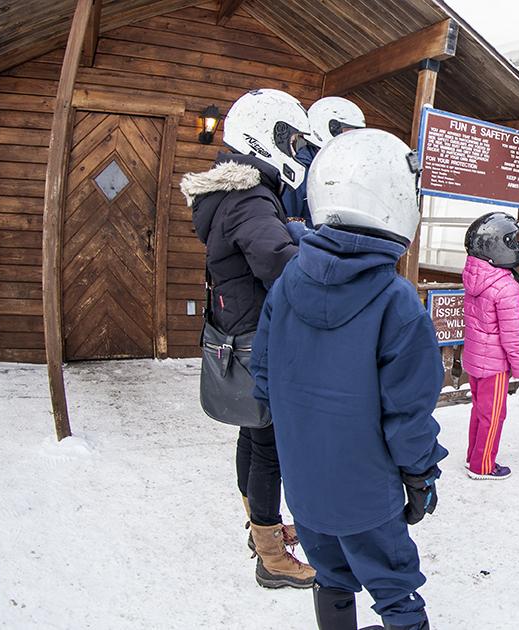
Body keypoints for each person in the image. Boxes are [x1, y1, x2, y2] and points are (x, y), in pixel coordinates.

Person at [251, 129, 447, 630]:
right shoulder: (396, 301)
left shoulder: (288, 280)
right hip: (367, 494)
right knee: (395, 588)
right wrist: (421, 476)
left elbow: (265, 380)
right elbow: (409, 414)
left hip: (305, 485)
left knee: (331, 577)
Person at [181, 88, 315, 589]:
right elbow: (279, 264)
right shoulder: (250, 197)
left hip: (239, 329)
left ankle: (258, 522)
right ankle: (271, 555)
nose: (297, 150)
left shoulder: (229, 195)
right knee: (270, 445)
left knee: (252, 432)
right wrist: (325, 261)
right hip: (261, 334)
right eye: (291, 138)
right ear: (265, 137)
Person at [462, 211, 519, 480]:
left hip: (475, 359)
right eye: (511, 241)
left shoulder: (475, 274)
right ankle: (483, 466)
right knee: (493, 416)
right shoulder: (505, 286)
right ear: (496, 245)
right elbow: (512, 335)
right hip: (494, 365)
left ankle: (473, 457)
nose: (516, 246)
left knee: (479, 411)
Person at [281, 96, 366, 226]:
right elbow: (290, 223)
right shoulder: (299, 171)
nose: (351, 140)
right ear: (330, 128)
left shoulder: (348, 172)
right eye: (347, 132)